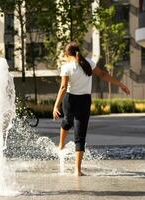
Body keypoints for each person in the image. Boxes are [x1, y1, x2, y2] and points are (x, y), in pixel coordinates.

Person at [53, 42, 130, 176]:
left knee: (67, 122)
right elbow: (103, 74)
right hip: (84, 101)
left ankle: (61, 145)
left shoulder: (66, 67)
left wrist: (56, 105)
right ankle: (77, 170)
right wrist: (120, 84)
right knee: (80, 135)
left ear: (66, 54)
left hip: (70, 100)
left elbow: (63, 88)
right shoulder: (88, 62)